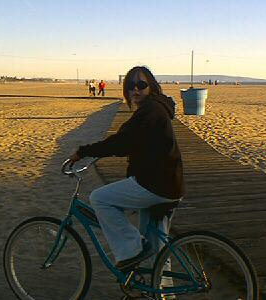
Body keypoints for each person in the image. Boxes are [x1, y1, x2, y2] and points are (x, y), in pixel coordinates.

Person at [69, 66, 185, 271]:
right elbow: (131, 143)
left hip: (156, 184)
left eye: (141, 85)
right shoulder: (155, 109)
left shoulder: (150, 111)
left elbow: (122, 142)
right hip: (169, 184)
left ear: (151, 87)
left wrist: (84, 151)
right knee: (157, 248)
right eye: (130, 86)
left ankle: (133, 250)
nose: (135, 90)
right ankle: (161, 291)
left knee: (99, 199)